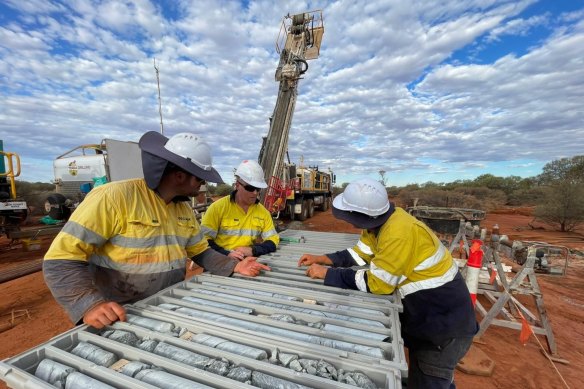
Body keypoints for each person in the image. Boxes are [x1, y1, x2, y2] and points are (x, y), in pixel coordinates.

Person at [43, 131, 270, 329]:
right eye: (200, 179)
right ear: (180, 175)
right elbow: (60, 259)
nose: (203, 185)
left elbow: (201, 251)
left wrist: (234, 265)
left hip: (167, 305)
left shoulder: (182, 209)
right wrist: (89, 304)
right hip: (120, 316)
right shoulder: (114, 198)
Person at [297, 177, 478, 388]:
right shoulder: (380, 224)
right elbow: (359, 255)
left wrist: (328, 275)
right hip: (428, 319)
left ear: (362, 216)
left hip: (443, 329)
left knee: (429, 381)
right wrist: (323, 258)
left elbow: (379, 284)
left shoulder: (398, 234)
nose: (347, 220)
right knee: (422, 375)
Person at [201, 160, 279, 261]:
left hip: (247, 263)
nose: (255, 193)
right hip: (219, 261)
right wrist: (226, 253)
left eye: (258, 189)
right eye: (250, 188)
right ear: (237, 185)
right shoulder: (217, 208)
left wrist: (253, 250)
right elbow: (203, 240)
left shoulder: (263, 212)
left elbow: (273, 239)